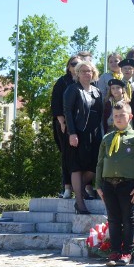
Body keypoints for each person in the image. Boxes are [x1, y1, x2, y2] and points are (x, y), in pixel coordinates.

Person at [95, 101, 134, 266]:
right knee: (113, 219)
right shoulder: (107, 137)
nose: (118, 118)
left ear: (130, 117)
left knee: (128, 218)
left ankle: (127, 253)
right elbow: (100, 162)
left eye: (122, 115)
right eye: (115, 116)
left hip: (128, 184)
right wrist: (98, 185)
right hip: (108, 184)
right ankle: (115, 251)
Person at [63, 61, 104, 214]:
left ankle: (78, 190)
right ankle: (79, 203)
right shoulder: (72, 89)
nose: (87, 73)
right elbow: (67, 112)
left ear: (94, 73)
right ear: (78, 73)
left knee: (94, 166)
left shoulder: (97, 91)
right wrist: (72, 133)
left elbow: (99, 115)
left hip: (94, 134)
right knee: (77, 166)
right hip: (78, 133)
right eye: (84, 71)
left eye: (90, 71)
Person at [50, 54, 81, 199]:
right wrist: (63, 122)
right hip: (64, 125)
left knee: (83, 156)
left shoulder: (85, 81)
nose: (76, 66)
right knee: (67, 156)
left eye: (79, 64)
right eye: (73, 64)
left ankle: (85, 187)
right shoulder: (62, 82)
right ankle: (67, 187)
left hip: (81, 125)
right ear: (68, 67)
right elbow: (56, 104)